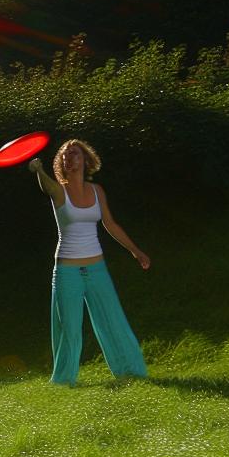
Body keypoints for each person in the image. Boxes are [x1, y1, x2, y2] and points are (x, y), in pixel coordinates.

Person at [29, 139, 149, 384]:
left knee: (113, 321)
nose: (68, 158)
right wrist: (39, 170)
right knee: (69, 329)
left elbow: (110, 224)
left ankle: (130, 372)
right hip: (67, 272)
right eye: (64, 155)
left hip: (97, 269)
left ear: (85, 160)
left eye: (74, 154)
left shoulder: (97, 191)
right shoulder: (59, 190)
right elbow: (47, 188)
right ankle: (63, 381)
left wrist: (135, 251)